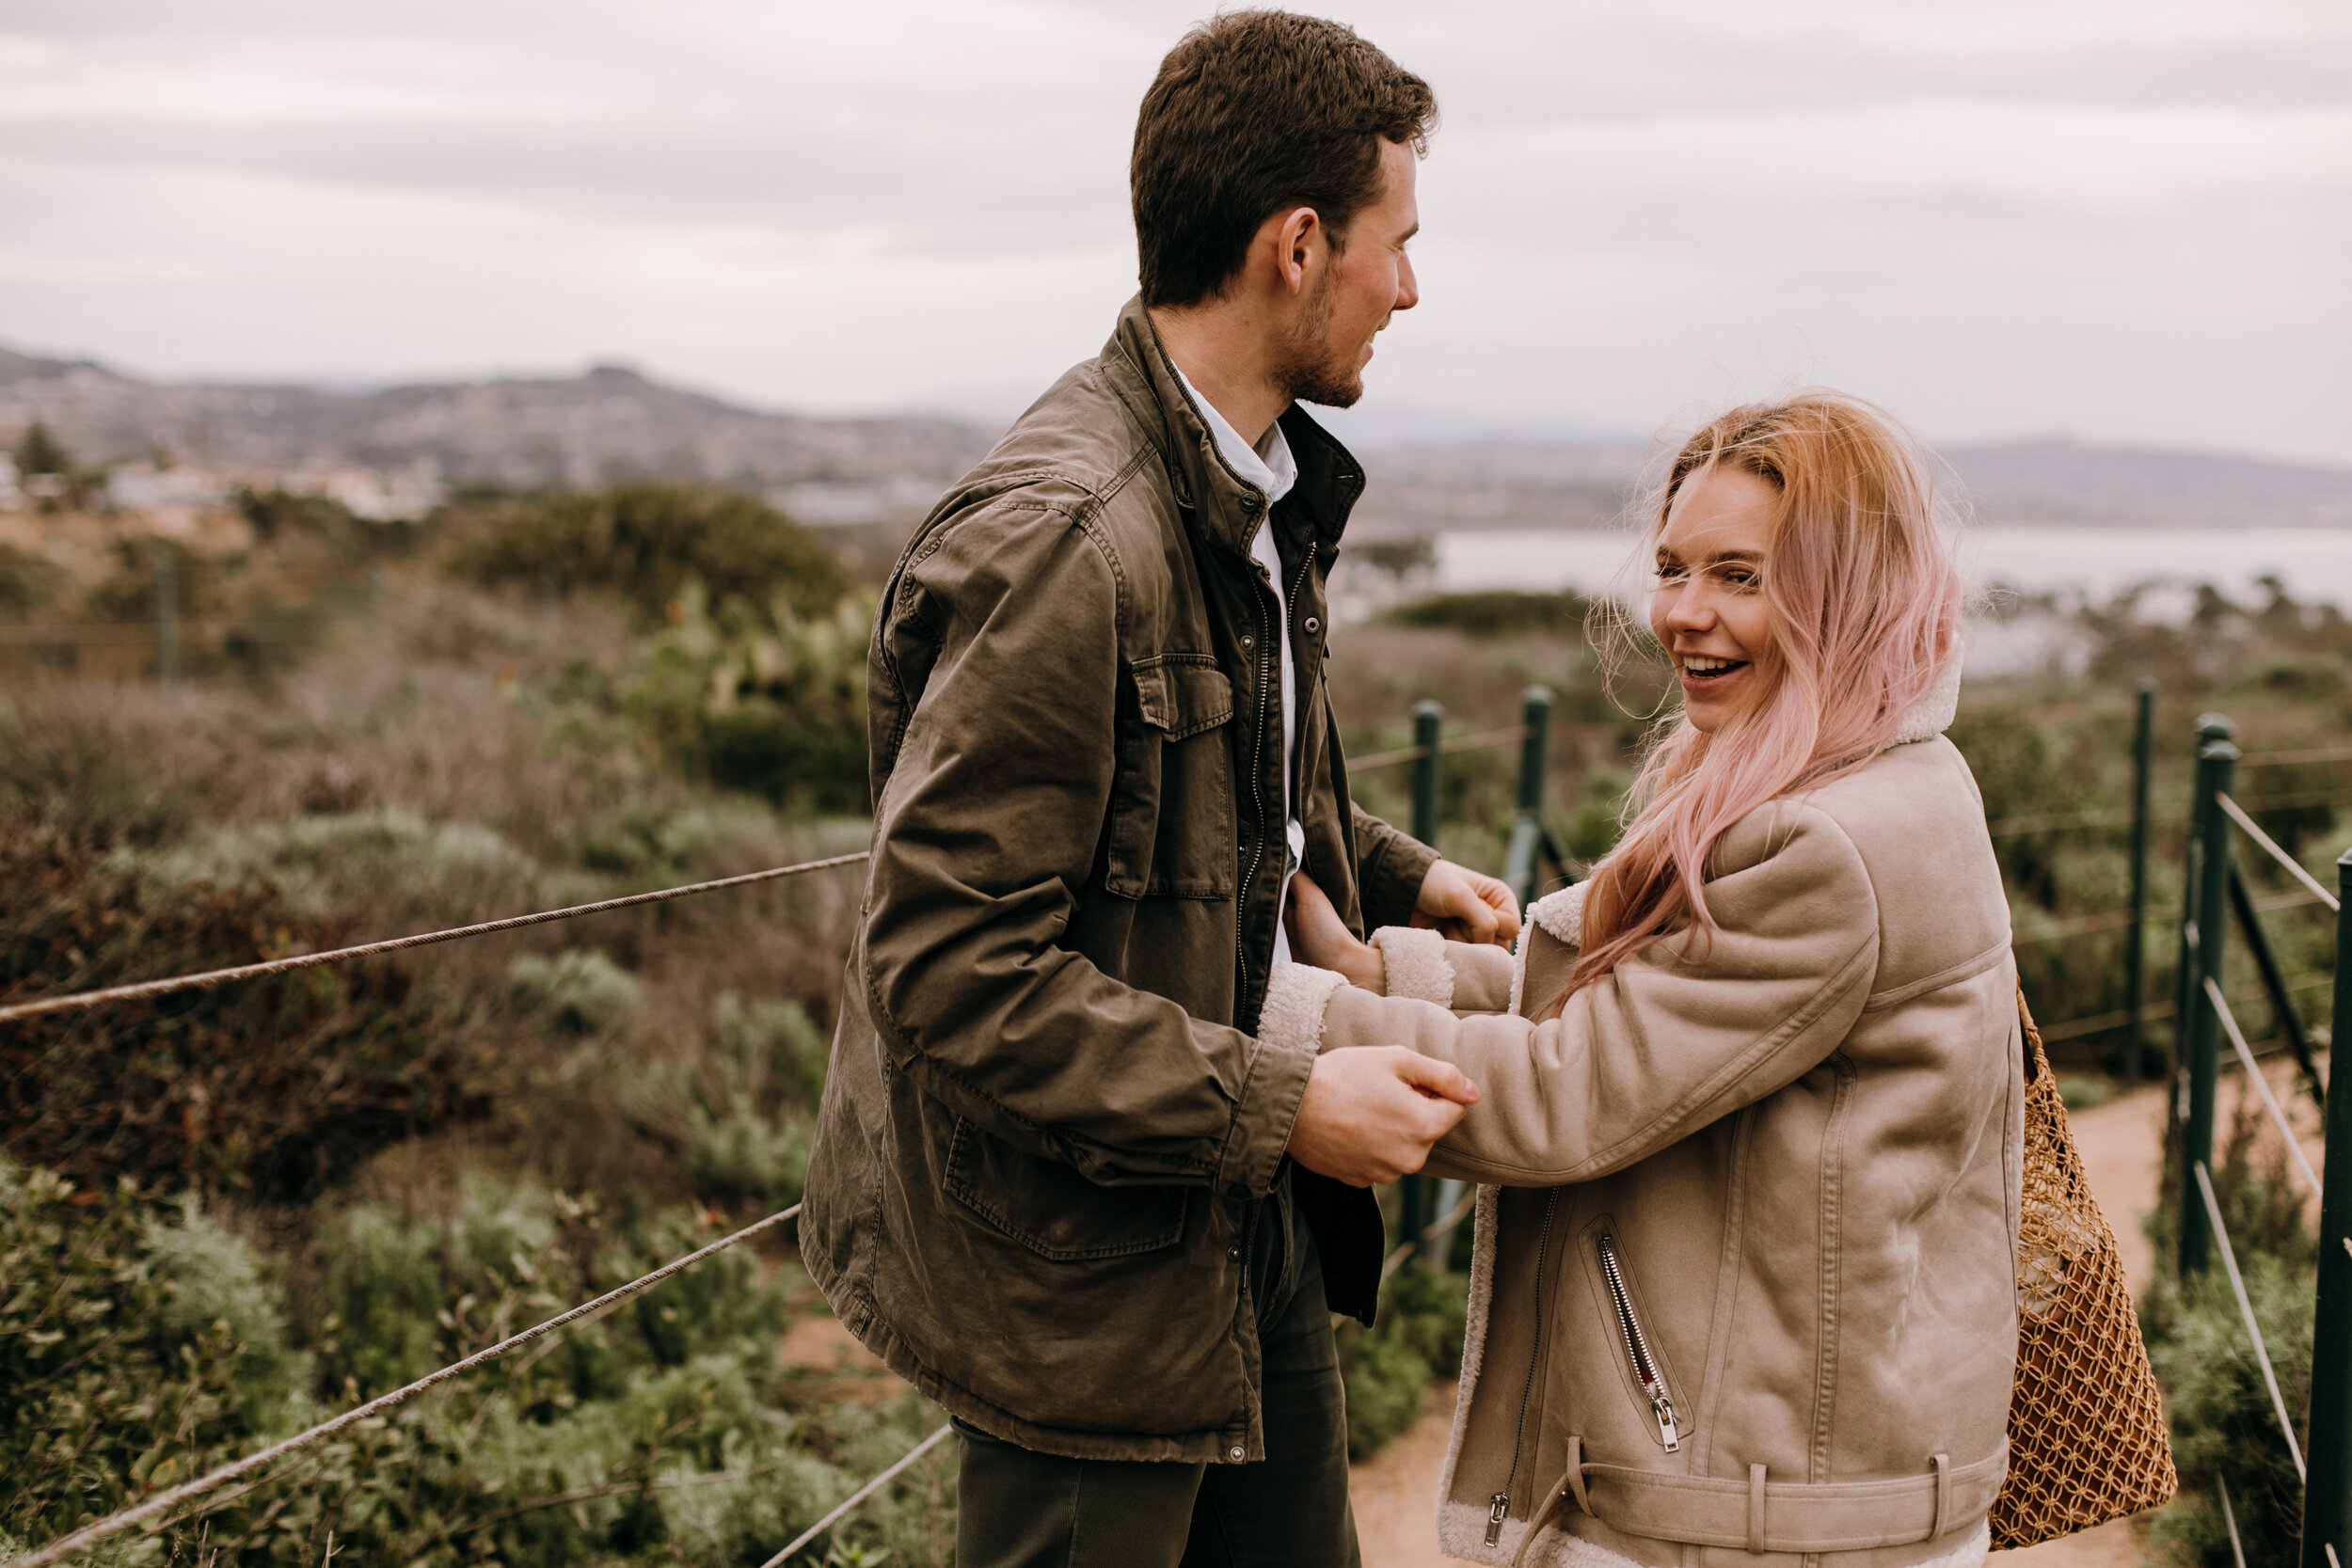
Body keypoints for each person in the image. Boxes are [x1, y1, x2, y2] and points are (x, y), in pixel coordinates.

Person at [801, 13, 1515, 1567]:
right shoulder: (1070, 537)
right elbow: (946, 964)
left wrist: (1387, 874)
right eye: (1399, 242)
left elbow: (1214, 776)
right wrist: (1292, 1104)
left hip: (1230, 1203)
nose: (1411, 286)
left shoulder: (1247, 483)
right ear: (1301, 243)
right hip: (1086, 1278)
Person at [1275, 394, 2019, 1568]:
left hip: (1761, 1505)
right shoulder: (1889, 770)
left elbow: (1578, 1086)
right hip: (1799, 1465)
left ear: (1848, 591)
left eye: (1739, 574)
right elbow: (1656, 1013)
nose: (1682, 612)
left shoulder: (1828, 843)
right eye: (1672, 567)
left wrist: (1278, 1016)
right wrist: (1381, 969)